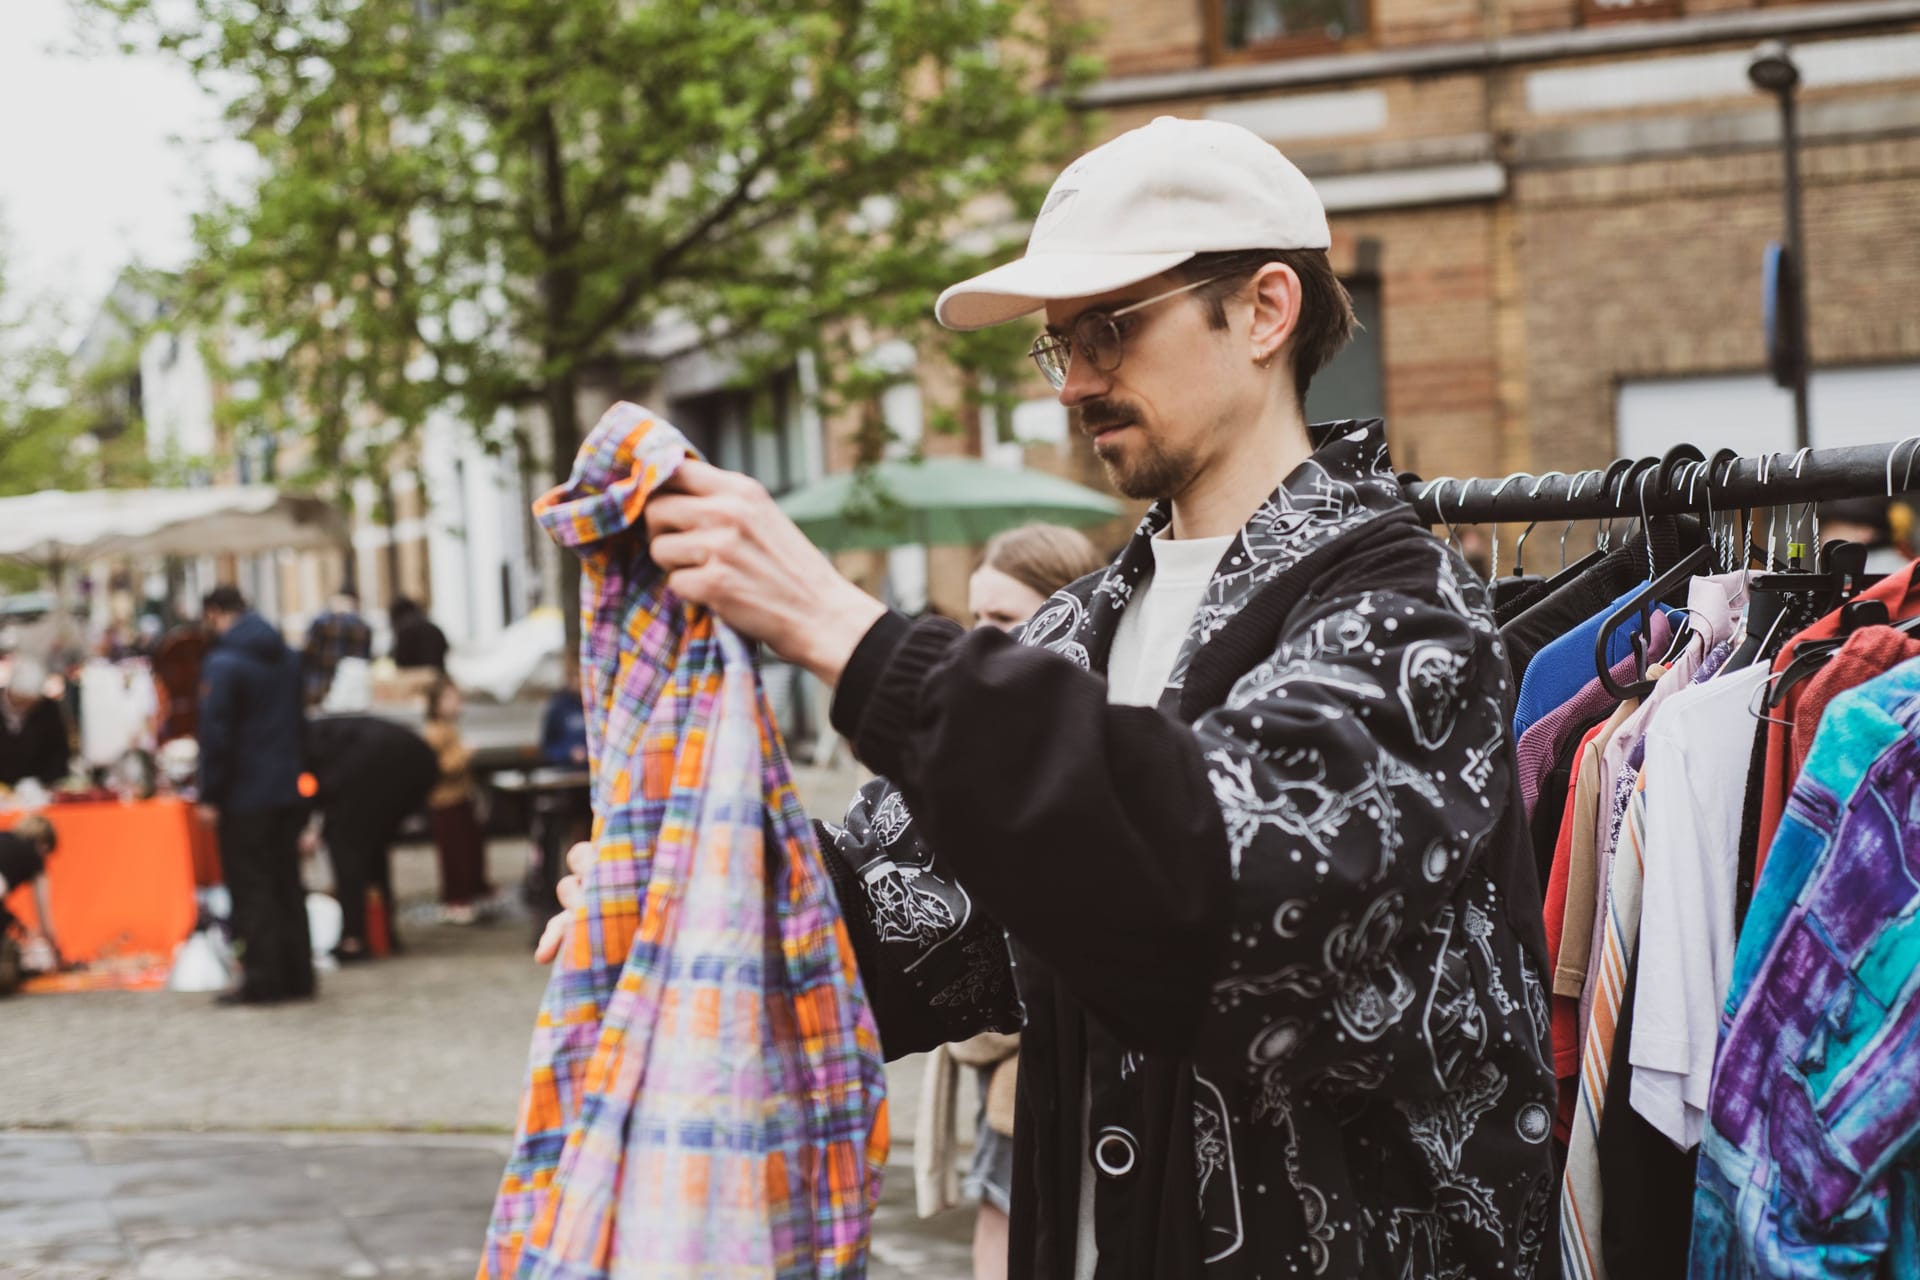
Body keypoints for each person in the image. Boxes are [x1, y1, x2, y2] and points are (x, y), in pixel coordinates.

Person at [594, 116, 1556, 1276]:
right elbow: (902, 931)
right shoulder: (1077, 627)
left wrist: (849, 634)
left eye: (1111, 327)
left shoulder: (1412, 611)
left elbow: (1223, 882)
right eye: (1061, 346)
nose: (1078, 382)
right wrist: (680, 892)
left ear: (1262, 310)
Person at [949, 524, 1109, 1280]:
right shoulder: (991, 726)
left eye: (1003, 620)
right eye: (973, 619)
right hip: (1003, 1054)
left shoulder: (1096, 737)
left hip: (1055, 1050)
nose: (980, 640)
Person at [197, 585, 314, 1005]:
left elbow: (216, 735)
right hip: (285, 789)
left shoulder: (223, 663)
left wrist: (210, 793)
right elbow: (301, 724)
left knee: (252, 887)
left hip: (245, 795)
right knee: (287, 881)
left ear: (213, 613)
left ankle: (263, 978)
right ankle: (299, 973)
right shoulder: (286, 656)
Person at [303, 714, 439, 959]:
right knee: (372, 848)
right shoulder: (318, 735)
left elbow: (322, 794)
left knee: (347, 850)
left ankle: (354, 938)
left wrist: (312, 829)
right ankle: (383, 933)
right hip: (412, 762)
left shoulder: (297, 746)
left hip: (385, 765)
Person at [422, 676, 489, 924]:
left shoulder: (450, 728)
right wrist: (464, 753)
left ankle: (472, 893)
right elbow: (443, 767)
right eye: (452, 699)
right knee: (455, 854)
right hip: (445, 801)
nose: (458, 704)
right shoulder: (435, 731)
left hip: (461, 797)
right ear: (436, 703)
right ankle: (456, 901)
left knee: (470, 848)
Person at [0, 814, 64, 974]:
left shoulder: (3, 837)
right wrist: (56, 953)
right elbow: (44, 919)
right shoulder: (35, 855)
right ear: (44, 844)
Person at [0, 655, 69, 789]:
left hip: (37, 787)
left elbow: (59, 750)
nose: (27, 705)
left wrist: (43, 783)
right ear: (11, 692)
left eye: (32, 701)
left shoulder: (49, 710)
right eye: (22, 699)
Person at [303, 588, 373, 707]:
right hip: (350, 694)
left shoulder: (320, 622)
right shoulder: (363, 626)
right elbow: (365, 660)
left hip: (318, 689)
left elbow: (307, 655)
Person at [537, 659, 589, 767]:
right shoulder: (559, 707)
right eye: (578, 677)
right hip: (567, 769)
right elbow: (548, 746)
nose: (582, 681)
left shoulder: (595, 705)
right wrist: (568, 753)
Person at [389, 596, 451, 672]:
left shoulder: (404, 631)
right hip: (438, 675)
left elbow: (400, 665)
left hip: (415, 678)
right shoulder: (434, 628)